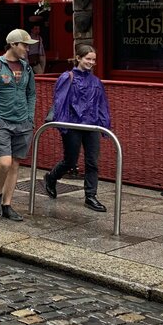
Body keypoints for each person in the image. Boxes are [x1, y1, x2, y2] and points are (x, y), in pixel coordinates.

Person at [0, 28, 38, 222]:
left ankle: (7, 204)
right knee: (4, 162)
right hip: (2, 122)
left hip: (23, 122)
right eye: (24, 45)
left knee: (15, 165)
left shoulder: (27, 68)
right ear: (13, 44)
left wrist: (29, 116)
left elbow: (31, 93)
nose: (27, 49)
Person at [43, 45, 110, 212]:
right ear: (78, 58)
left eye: (93, 59)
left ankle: (90, 196)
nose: (91, 62)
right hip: (72, 125)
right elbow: (60, 102)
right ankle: (51, 178)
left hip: (91, 125)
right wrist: (63, 126)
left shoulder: (96, 81)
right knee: (70, 161)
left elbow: (102, 104)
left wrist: (104, 124)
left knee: (92, 161)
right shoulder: (68, 77)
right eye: (88, 58)